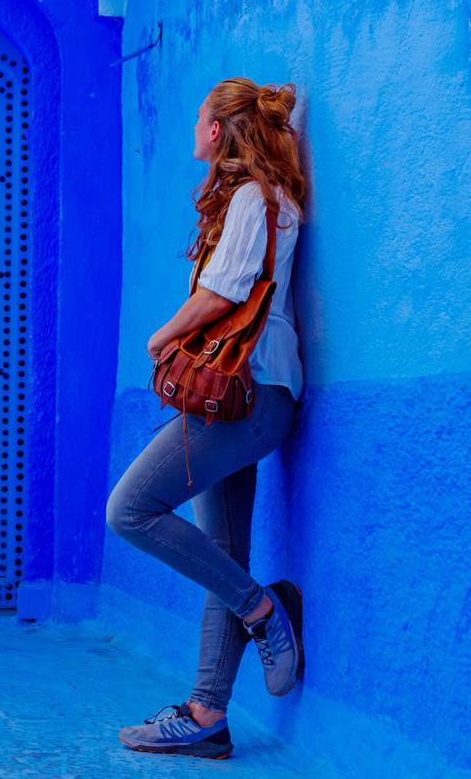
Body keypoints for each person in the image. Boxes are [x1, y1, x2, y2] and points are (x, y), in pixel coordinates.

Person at [105, 77, 308, 760]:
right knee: (220, 555)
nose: (195, 127)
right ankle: (206, 714)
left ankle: (261, 610)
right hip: (244, 399)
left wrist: (162, 336)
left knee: (130, 510)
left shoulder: (255, 198)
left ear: (218, 131)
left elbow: (225, 289)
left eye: (199, 117)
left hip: (246, 399)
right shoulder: (257, 199)